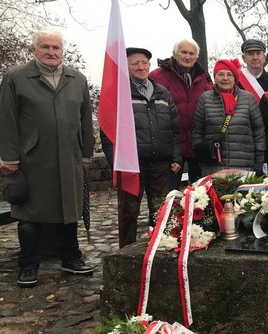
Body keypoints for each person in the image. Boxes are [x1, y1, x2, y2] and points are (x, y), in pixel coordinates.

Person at [0, 29, 95, 287]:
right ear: (34, 49)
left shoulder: (77, 79)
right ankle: (29, 265)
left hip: (70, 156)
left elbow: (85, 119)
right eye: (45, 47)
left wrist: (87, 153)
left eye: (56, 47)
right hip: (32, 159)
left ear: (62, 51)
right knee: (30, 214)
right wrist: (9, 157)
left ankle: (71, 259)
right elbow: (6, 119)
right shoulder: (16, 77)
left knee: (69, 210)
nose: (51, 52)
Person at [118, 47, 182, 248]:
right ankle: (126, 251)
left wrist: (176, 157)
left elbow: (174, 128)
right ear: (126, 67)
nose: (141, 67)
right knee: (129, 212)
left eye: (144, 63)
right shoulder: (121, 93)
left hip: (161, 163)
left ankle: (159, 247)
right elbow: (110, 131)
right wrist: (115, 160)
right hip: (132, 164)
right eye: (135, 63)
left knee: (161, 209)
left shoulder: (163, 93)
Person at [149, 38, 212, 188]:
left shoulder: (204, 78)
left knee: (201, 192)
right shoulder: (157, 76)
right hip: (170, 144)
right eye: (183, 52)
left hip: (197, 143)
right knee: (169, 193)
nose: (188, 57)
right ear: (174, 54)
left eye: (192, 53)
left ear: (197, 57)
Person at [192, 59, 265, 176]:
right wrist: (201, 158)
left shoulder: (248, 98)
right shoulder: (205, 99)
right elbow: (197, 132)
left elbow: (259, 133)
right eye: (220, 74)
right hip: (213, 167)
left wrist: (258, 162)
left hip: (244, 166)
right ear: (214, 77)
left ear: (235, 78)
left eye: (229, 74)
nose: (225, 78)